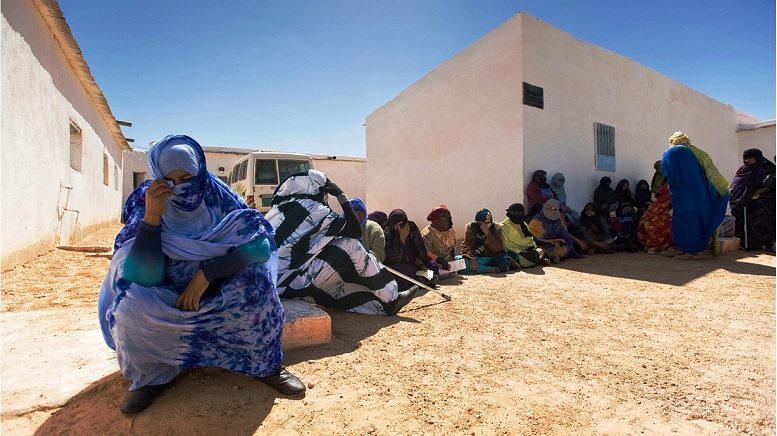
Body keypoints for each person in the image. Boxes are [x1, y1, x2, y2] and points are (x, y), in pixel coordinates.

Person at [97, 134, 305, 415]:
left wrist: (206, 275)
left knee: (256, 284)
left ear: (200, 171)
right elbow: (142, 275)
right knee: (131, 304)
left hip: (218, 285)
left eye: (188, 178)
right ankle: (150, 378)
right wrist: (153, 218)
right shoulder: (146, 202)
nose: (182, 188)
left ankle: (264, 366)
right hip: (166, 290)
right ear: (157, 177)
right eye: (171, 181)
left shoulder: (218, 196)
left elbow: (259, 246)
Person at [265, 169, 417, 315]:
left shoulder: (277, 210)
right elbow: (354, 232)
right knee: (350, 246)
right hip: (289, 283)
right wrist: (340, 195)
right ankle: (391, 299)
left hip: (272, 283)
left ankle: (373, 303)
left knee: (334, 264)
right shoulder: (313, 209)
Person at [660, 131, 729, 257]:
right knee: (697, 219)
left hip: (683, 192)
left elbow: (666, 170)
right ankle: (690, 248)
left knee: (685, 220)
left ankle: (690, 250)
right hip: (700, 192)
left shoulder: (673, 151)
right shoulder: (698, 152)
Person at [728, 148, 776, 251]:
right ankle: (751, 244)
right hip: (748, 202)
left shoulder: (768, 168)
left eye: (750, 158)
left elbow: (773, 183)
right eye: (745, 158)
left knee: (766, 224)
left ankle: (768, 244)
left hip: (765, 203)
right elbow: (736, 186)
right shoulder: (744, 170)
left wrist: (761, 190)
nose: (747, 160)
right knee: (747, 223)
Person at [382, 209, 440, 290]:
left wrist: (422, 266)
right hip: (397, 266)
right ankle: (420, 281)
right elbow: (393, 258)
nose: (397, 228)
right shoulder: (387, 233)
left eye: (401, 224)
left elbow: (417, 253)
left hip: (414, 264)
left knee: (432, 266)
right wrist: (402, 238)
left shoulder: (411, 228)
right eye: (395, 225)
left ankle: (421, 279)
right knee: (401, 271)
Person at [460, 208, 512, 273]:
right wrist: (471, 258)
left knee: (504, 261)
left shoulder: (496, 229)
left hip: (490, 258)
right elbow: (467, 245)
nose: (485, 225)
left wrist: (488, 233)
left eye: (487, 223)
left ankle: (479, 268)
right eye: (482, 223)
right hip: (476, 258)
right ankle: (487, 269)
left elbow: (497, 248)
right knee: (460, 263)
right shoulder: (472, 228)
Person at [421, 205, 458, 280]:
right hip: (434, 263)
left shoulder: (450, 232)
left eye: (449, 218)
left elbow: (452, 251)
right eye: (444, 218)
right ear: (435, 220)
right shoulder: (426, 234)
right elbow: (425, 253)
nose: (448, 221)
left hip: (448, 264)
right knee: (429, 273)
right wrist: (438, 261)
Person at [637, 183, 673, 253]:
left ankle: (655, 245)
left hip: (670, 210)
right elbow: (656, 195)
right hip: (659, 207)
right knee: (645, 219)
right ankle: (649, 244)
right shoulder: (666, 187)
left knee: (658, 223)